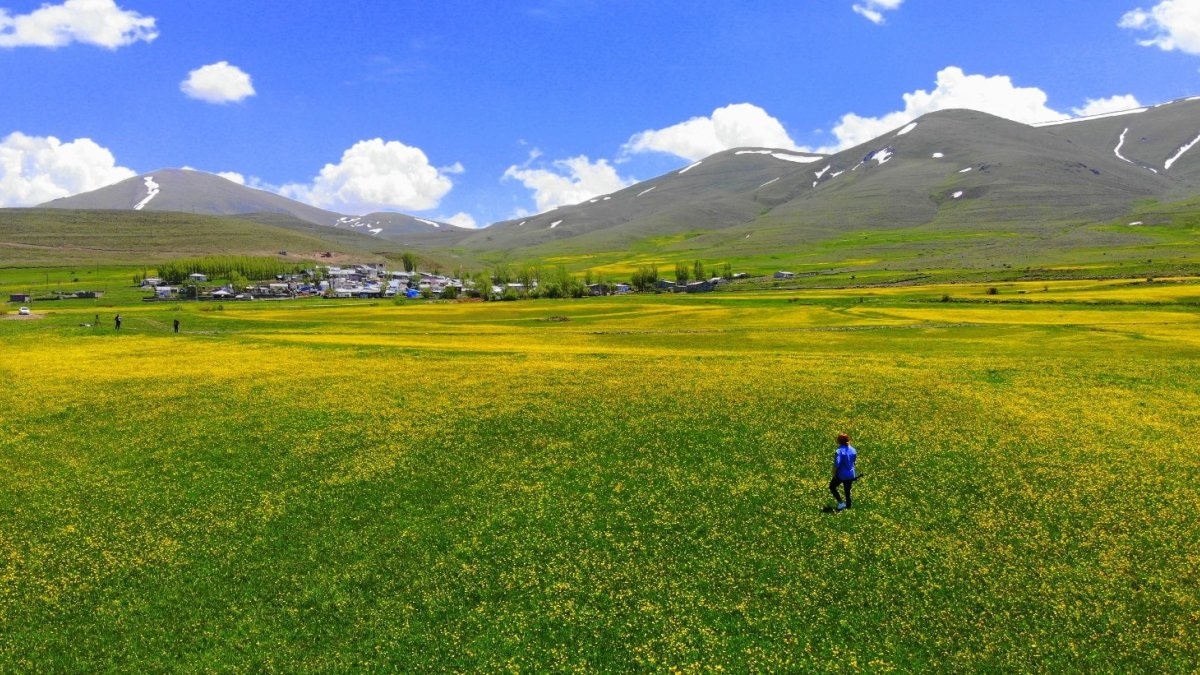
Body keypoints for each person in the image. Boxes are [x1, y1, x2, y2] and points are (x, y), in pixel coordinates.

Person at [829, 433, 858, 511]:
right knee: (847, 491)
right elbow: (854, 462)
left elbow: (837, 463)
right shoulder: (853, 450)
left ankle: (841, 503)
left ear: (839, 441)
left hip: (841, 474)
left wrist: (834, 472)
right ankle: (848, 506)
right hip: (851, 474)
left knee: (832, 487)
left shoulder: (839, 451)